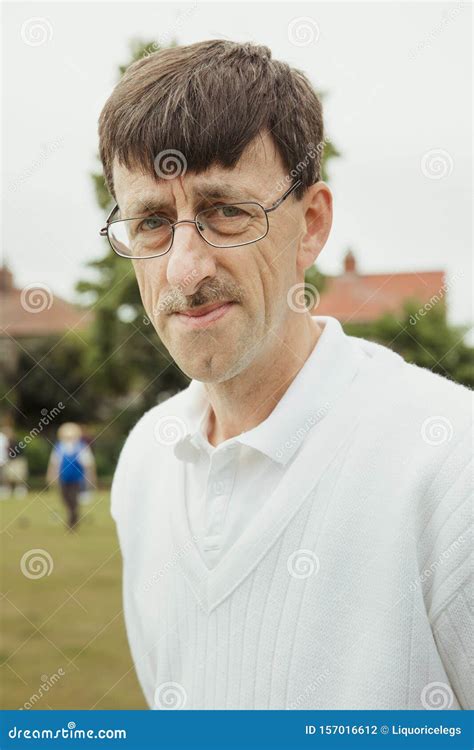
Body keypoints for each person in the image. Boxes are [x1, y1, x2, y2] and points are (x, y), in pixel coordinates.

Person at [98, 40, 472, 710]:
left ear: (312, 223)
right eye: (152, 222)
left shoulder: (450, 465)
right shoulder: (146, 464)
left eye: (226, 212)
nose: (185, 269)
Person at [46, 423, 96, 529]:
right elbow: (54, 463)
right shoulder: (59, 447)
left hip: (77, 478)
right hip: (64, 478)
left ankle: (73, 521)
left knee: (73, 499)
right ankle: (72, 516)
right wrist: (51, 475)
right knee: (65, 498)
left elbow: (88, 464)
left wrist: (91, 478)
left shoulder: (81, 447)